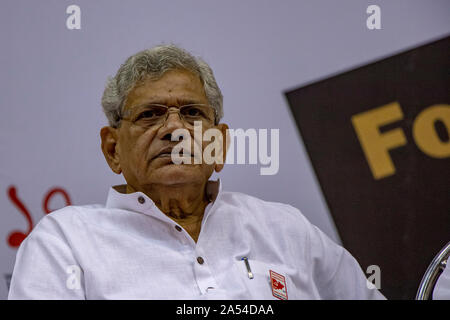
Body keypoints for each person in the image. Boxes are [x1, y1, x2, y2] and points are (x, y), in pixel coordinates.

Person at [8, 44, 385, 300]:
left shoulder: (286, 229)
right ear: (113, 149)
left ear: (218, 145)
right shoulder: (65, 243)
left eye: (192, 113)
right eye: (150, 114)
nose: (175, 129)